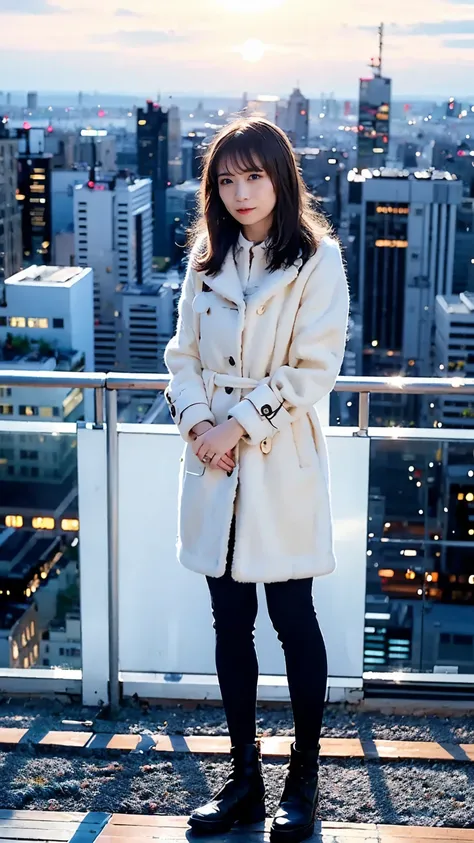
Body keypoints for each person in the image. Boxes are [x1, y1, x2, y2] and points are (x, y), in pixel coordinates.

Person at [164, 116, 350, 843]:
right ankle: (245, 778)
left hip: (274, 462)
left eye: (254, 175)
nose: (241, 192)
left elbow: (313, 369)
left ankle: (302, 780)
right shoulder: (206, 260)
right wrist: (197, 428)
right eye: (227, 178)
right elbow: (179, 355)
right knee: (229, 624)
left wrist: (234, 426)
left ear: (281, 177)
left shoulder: (316, 259)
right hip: (215, 466)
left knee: (293, 620)